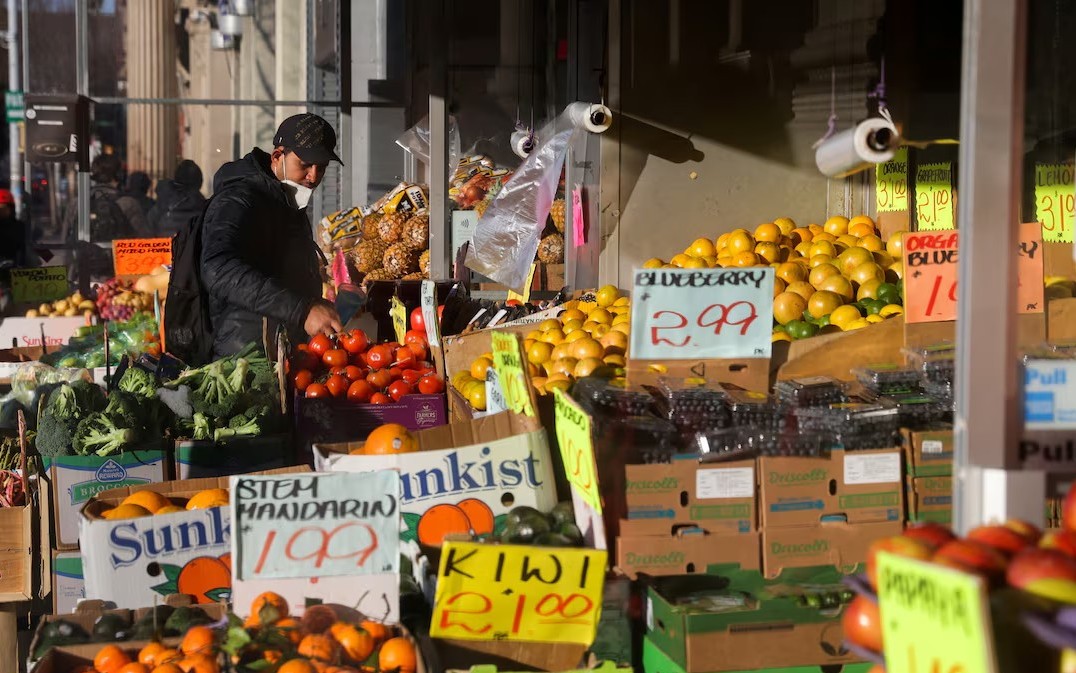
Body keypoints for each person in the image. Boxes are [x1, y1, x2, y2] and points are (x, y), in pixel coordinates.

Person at [200, 113, 344, 358]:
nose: (313, 177)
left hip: (280, 349)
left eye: (322, 167)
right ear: (278, 156)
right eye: (305, 165)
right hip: (245, 356)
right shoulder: (238, 200)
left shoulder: (284, 197)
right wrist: (302, 309)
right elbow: (217, 268)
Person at [149, 160, 207, 238]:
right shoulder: (207, 209)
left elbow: (148, 235)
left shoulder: (160, 208)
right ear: (200, 183)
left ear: (176, 181)